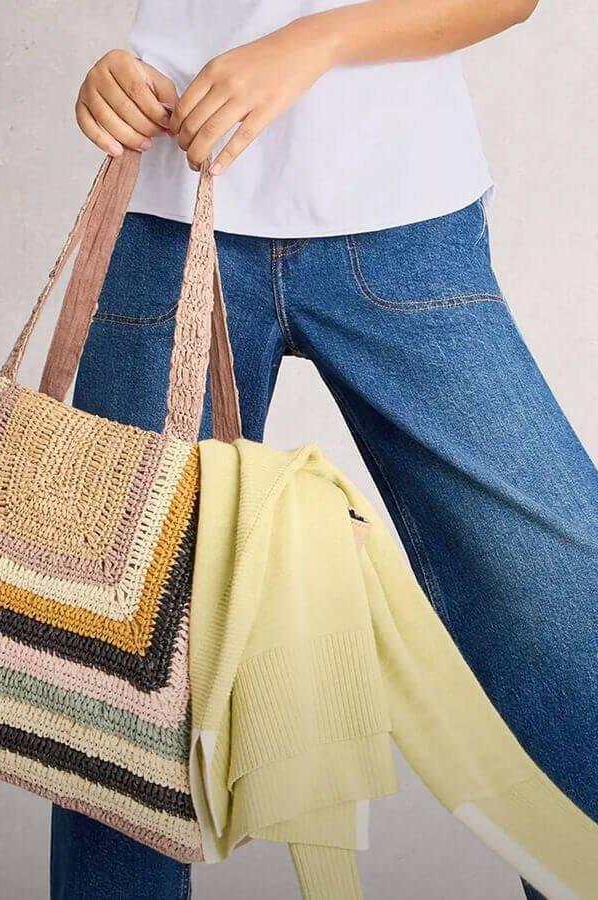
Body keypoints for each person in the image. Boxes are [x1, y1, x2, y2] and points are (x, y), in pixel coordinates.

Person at [50, 3, 598, 899]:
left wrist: (314, 40)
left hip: (402, 217)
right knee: (126, 645)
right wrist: (116, 71)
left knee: (558, 596)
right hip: (167, 208)